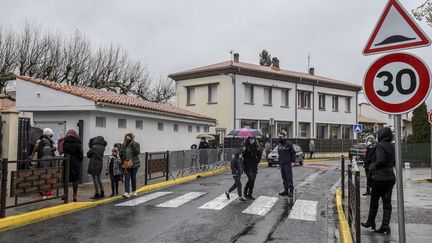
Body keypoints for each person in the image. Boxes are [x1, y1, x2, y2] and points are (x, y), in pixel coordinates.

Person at [361, 127, 395, 235]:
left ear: (382, 135)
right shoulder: (392, 146)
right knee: (387, 202)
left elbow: (380, 161)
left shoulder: (380, 145)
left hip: (379, 178)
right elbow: (393, 162)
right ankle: (385, 225)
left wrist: (372, 167)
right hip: (390, 177)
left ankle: (370, 222)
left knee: (374, 201)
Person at [62, 129, 83, 202]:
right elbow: (81, 155)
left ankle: (65, 194)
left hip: (66, 162)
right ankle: (74, 195)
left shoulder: (65, 142)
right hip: (75, 163)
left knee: (65, 179)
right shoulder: (78, 143)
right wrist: (78, 161)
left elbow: (63, 151)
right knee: (75, 179)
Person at [35, 128, 56, 198]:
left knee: (41, 175)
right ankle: (46, 190)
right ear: (49, 135)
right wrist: (53, 149)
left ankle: (42, 190)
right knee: (47, 175)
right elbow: (49, 152)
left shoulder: (40, 141)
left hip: (40, 159)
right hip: (47, 161)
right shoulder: (47, 142)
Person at [120, 133, 141, 199]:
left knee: (133, 178)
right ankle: (126, 192)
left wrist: (132, 144)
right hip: (126, 164)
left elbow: (137, 152)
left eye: (129, 137)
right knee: (127, 178)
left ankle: (134, 191)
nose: (127, 138)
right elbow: (121, 153)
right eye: (126, 137)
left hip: (134, 164)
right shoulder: (123, 144)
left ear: (132, 138)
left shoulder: (136, 144)